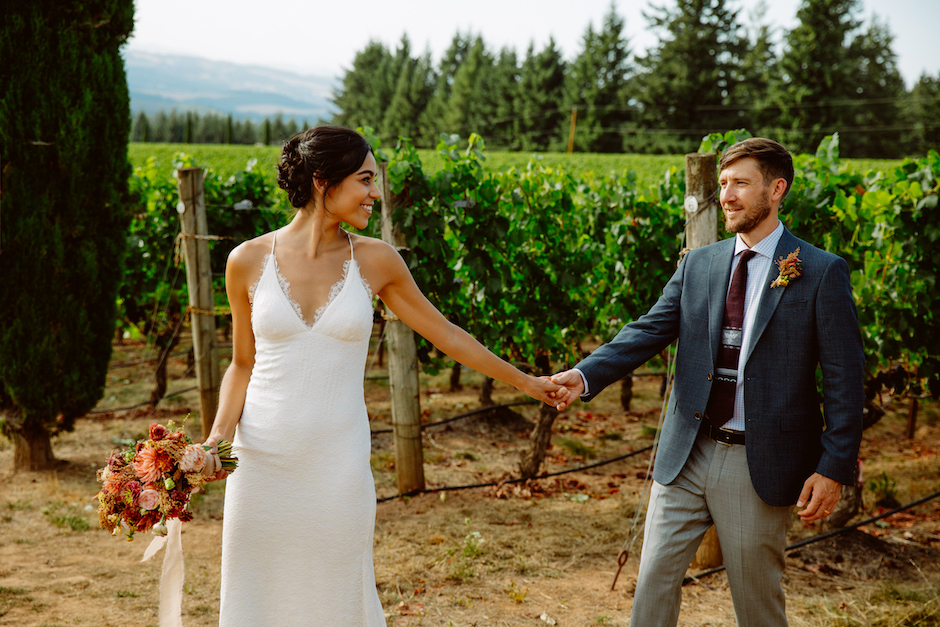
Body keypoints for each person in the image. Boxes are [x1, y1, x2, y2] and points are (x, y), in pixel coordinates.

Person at [199, 125, 560, 626]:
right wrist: (218, 439)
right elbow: (242, 364)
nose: (376, 192)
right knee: (257, 595)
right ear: (325, 180)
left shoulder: (375, 260)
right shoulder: (246, 261)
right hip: (262, 461)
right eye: (366, 179)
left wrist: (526, 382)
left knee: (338, 594)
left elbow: (447, 335)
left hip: (337, 461)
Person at [550, 138, 864, 626]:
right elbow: (648, 329)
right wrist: (585, 374)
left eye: (741, 183)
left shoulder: (820, 272)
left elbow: (846, 378)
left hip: (758, 463)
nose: (728, 195)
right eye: (723, 184)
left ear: (777, 189)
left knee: (756, 602)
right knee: (652, 583)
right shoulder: (699, 263)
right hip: (685, 453)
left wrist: (834, 466)